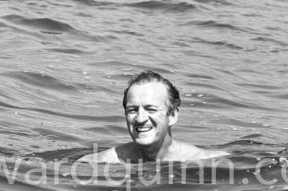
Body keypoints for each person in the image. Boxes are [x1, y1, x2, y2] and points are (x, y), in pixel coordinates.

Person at [78, 70, 229, 163]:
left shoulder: (208, 161)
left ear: (173, 115)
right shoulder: (100, 162)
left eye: (151, 109)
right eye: (132, 110)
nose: (140, 118)